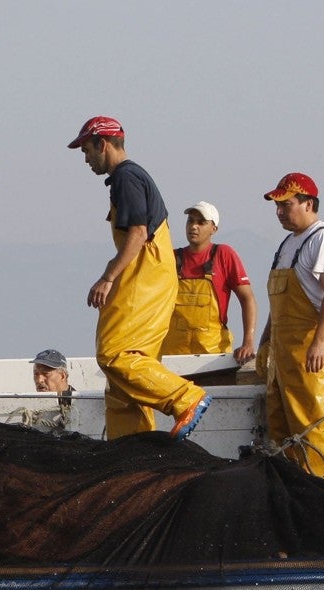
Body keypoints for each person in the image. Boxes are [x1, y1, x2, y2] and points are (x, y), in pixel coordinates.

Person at [68, 116, 210, 441]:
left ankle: (186, 398)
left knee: (115, 354)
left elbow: (138, 233)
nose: (87, 159)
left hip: (145, 278)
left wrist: (107, 277)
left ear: (102, 144)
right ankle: (133, 448)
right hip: (151, 278)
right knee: (124, 380)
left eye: (87, 150)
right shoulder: (128, 178)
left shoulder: (126, 177)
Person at [258, 172, 324, 482]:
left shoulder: (323, 238)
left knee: (314, 429)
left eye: (287, 204)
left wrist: (320, 342)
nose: (281, 211)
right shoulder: (287, 243)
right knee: (283, 435)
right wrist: (265, 342)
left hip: (311, 353)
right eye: (278, 205)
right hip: (285, 355)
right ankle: (297, 499)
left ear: (309, 203)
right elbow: (277, 302)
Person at [160, 201, 258, 363]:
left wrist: (248, 342)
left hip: (212, 355)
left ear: (214, 229)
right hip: (172, 354)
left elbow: (247, 299)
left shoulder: (223, 254)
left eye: (201, 222)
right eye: (190, 221)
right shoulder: (172, 258)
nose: (193, 226)